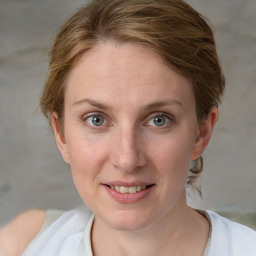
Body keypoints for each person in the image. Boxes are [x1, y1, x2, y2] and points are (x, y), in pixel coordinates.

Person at [0, 0, 255, 255]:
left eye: (159, 119)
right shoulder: (24, 244)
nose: (127, 159)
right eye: (96, 119)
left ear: (201, 133)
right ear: (61, 134)